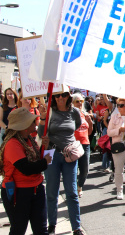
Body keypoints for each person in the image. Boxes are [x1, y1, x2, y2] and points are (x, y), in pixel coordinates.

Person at [0, 107, 52, 234]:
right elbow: (26, 168)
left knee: (41, 229)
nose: (35, 123)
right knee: (18, 230)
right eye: (32, 121)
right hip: (18, 192)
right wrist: (44, 161)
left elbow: (36, 161)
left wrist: (44, 148)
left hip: (36, 189)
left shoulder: (28, 139)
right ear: (25, 126)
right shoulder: (12, 144)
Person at [38, 88, 84, 235]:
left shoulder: (74, 112)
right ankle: (51, 225)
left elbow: (76, 126)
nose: (60, 98)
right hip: (51, 154)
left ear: (68, 96)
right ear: (53, 97)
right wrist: (43, 119)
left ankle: (76, 227)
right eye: (57, 95)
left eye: (64, 95)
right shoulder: (49, 111)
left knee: (71, 192)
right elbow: (41, 133)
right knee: (51, 192)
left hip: (69, 155)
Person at [72, 93, 93, 198]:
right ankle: (73, 189)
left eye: (81, 101)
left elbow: (89, 132)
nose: (80, 103)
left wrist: (90, 123)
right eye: (77, 101)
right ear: (72, 103)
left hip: (85, 144)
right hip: (74, 144)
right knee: (73, 170)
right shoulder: (70, 114)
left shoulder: (85, 114)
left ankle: (80, 186)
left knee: (85, 169)